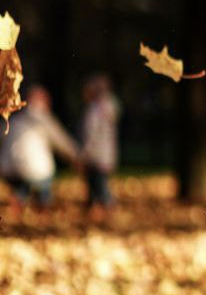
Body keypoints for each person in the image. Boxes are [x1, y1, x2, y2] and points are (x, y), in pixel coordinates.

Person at [0, 85, 80, 213]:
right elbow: (61, 142)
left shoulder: (14, 119)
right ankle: (43, 203)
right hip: (35, 169)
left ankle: (19, 199)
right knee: (42, 181)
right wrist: (76, 157)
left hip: (8, 169)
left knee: (22, 184)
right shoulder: (44, 120)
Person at [80, 74, 120, 217]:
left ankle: (108, 209)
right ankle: (99, 211)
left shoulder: (96, 110)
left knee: (99, 187)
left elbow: (92, 134)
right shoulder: (110, 107)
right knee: (99, 185)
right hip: (106, 154)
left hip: (96, 155)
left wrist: (85, 153)